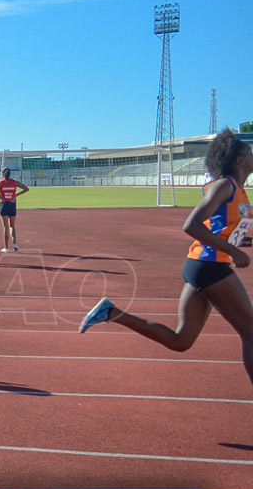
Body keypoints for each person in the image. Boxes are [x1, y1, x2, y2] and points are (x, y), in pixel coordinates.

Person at [80, 129, 253, 386]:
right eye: (249, 152)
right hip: (210, 266)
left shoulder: (238, 190)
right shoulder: (224, 186)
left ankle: (111, 313)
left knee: (180, 341)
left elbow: (227, 230)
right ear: (239, 159)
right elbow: (191, 225)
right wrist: (233, 251)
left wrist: (239, 244)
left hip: (204, 266)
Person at [0, 168, 29, 253]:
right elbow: (26, 188)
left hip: (3, 204)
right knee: (12, 226)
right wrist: (16, 195)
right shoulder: (14, 182)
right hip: (12, 204)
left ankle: (6, 247)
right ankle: (15, 244)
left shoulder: (0, 183)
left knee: (5, 227)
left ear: (2, 174)